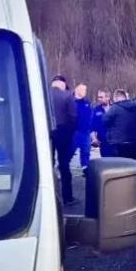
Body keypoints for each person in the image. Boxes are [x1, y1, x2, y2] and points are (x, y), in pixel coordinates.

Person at [49, 75, 78, 205]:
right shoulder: (67, 96)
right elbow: (73, 116)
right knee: (64, 165)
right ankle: (67, 197)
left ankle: (49, 196)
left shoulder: (44, 95)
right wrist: (71, 132)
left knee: (47, 164)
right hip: (63, 132)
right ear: (63, 84)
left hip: (46, 132)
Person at [103, 88, 136, 163]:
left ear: (116, 98)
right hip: (134, 143)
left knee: (120, 168)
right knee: (133, 165)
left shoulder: (114, 108)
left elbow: (104, 121)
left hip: (117, 144)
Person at [72, 83, 92, 171]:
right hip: (74, 131)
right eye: (83, 90)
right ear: (77, 90)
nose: (85, 92)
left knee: (86, 152)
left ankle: (85, 169)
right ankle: (61, 167)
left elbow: (90, 116)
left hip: (86, 132)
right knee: (70, 151)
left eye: (85, 90)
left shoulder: (87, 103)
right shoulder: (71, 102)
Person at [92, 88, 112, 158]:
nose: (99, 99)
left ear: (108, 97)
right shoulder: (96, 110)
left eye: (101, 97)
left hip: (116, 142)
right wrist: (94, 138)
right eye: (98, 97)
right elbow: (92, 126)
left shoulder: (115, 108)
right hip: (103, 143)